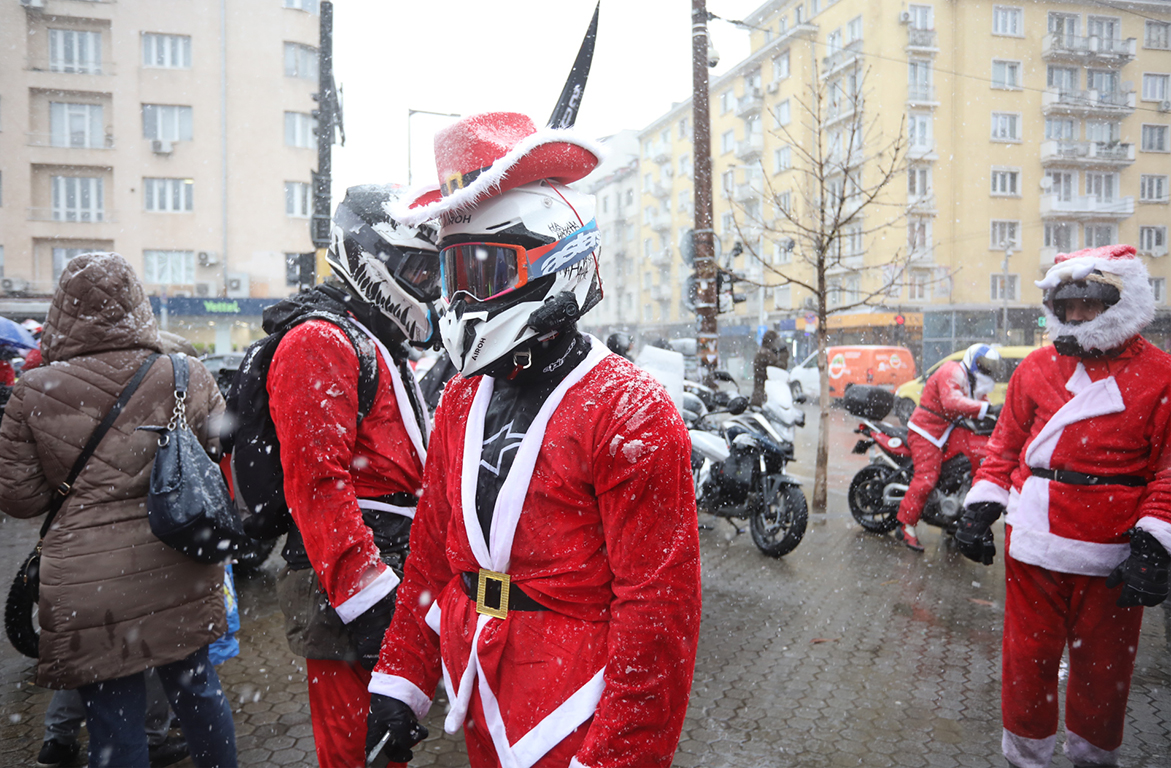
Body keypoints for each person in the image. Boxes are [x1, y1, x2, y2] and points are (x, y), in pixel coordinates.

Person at [364, 112, 701, 768]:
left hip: (576, 695)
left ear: (553, 258)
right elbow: (433, 556)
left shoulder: (630, 409)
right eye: (451, 274)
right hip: (480, 679)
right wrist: (400, 681)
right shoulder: (463, 395)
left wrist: (618, 755)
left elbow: (657, 613)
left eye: (481, 271)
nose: (460, 298)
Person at [0, 252, 236, 768]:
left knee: (114, 726)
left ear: (63, 308)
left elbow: (18, 499)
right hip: (178, 565)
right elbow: (220, 446)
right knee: (200, 698)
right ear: (136, 301)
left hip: (89, 587)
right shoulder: (185, 372)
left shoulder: (34, 390)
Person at [955, 244, 1171, 768]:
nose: (1075, 317)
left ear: (1121, 302)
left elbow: (1168, 469)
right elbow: (1004, 448)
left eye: (1089, 305)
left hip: (1113, 551)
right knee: (1026, 662)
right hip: (1033, 542)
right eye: (1066, 305)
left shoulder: (1162, 374)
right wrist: (981, 506)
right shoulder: (1034, 368)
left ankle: (1092, 760)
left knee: (1103, 671)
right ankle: (1025, 759)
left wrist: (1154, 542)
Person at [266, 184, 435, 768]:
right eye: (418, 268)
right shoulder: (320, 340)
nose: (431, 288)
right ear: (372, 259)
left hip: (384, 570)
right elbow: (318, 485)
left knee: (386, 751)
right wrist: (368, 603)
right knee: (356, 754)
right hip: (344, 587)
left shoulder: (376, 341)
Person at [895, 343, 1000, 551]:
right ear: (972, 359)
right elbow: (952, 401)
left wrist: (998, 413)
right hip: (927, 431)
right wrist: (986, 408)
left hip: (946, 432)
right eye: (983, 363)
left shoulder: (973, 382)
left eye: (990, 365)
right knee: (927, 478)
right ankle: (905, 525)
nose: (986, 368)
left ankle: (952, 516)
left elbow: (983, 402)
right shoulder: (952, 371)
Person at [750, 329, 789, 407]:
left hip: (759, 394)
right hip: (765, 395)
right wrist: (784, 352)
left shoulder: (762, 352)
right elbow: (781, 367)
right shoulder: (766, 354)